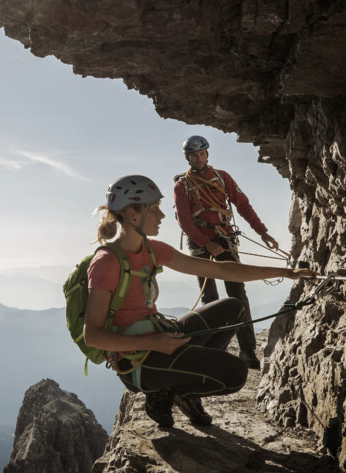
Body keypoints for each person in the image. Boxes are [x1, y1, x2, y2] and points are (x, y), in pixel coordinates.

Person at [85, 175, 315, 428]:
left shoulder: (152, 249)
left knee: (234, 308)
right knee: (235, 374)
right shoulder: (107, 262)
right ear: (133, 214)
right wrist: (152, 343)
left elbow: (224, 270)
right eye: (154, 209)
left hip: (160, 339)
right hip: (138, 362)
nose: (162, 216)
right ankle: (167, 390)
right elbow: (93, 336)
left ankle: (181, 389)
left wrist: (285, 273)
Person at [173, 135, 278, 369]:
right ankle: (214, 350)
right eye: (194, 155)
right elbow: (184, 221)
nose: (198, 158)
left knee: (237, 295)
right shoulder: (182, 186)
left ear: (207, 154)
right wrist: (205, 242)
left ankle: (247, 351)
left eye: (201, 154)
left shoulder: (222, 178)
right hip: (201, 246)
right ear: (188, 157)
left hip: (225, 240)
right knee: (211, 299)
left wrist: (262, 232)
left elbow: (243, 205)